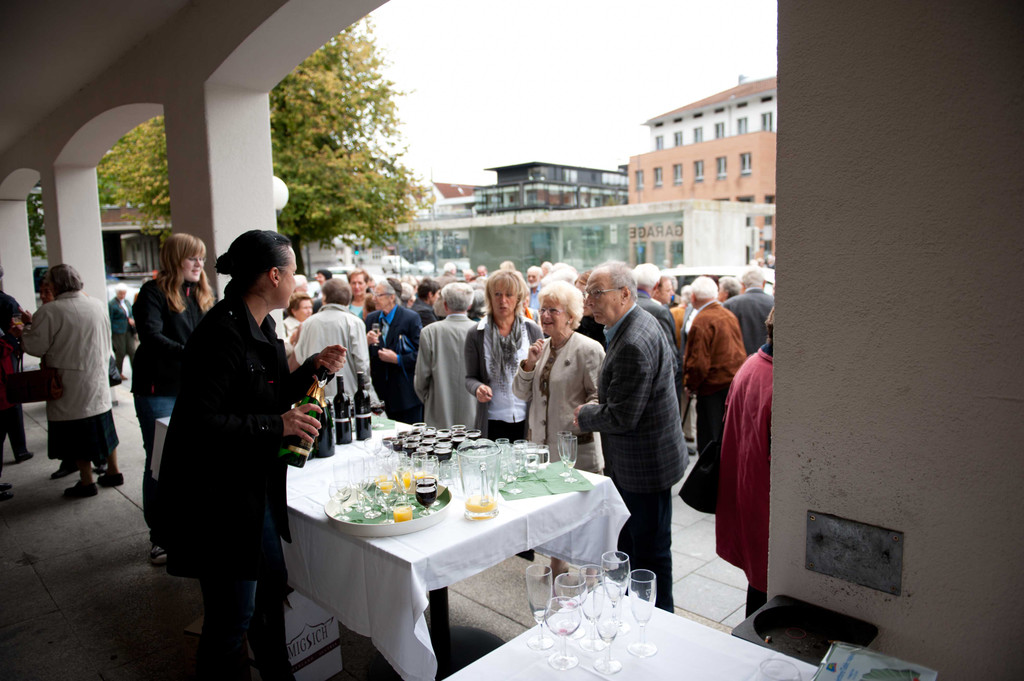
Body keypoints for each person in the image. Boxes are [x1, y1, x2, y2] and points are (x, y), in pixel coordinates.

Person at [154, 230, 345, 680]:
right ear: (273, 276)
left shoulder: (263, 326)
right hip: (218, 499)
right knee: (231, 618)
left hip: (253, 491)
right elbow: (200, 423)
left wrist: (313, 368)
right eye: (293, 272)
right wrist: (279, 425)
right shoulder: (221, 333)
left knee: (269, 595)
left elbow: (269, 396)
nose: (297, 281)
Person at [574, 262, 686, 611]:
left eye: (597, 293)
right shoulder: (636, 322)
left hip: (643, 468)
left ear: (624, 293)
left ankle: (659, 618)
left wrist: (585, 414)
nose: (589, 301)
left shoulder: (633, 341)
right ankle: (637, 610)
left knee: (650, 553)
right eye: (588, 293)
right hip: (646, 459)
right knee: (638, 546)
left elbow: (622, 417)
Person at [132, 233, 214, 564]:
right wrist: (193, 355)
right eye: (192, 257)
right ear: (175, 258)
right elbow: (151, 336)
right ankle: (161, 537)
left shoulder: (202, 294)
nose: (199, 264)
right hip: (159, 391)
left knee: (194, 461)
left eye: (202, 258)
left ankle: (189, 527)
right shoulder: (152, 292)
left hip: (195, 389)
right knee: (160, 462)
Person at [19, 265, 124, 498]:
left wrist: (25, 329)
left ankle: (87, 482)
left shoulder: (50, 311)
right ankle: (113, 471)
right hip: (97, 379)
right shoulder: (97, 305)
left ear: (55, 285)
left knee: (78, 435)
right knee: (105, 428)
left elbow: (35, 347)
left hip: (68, 384)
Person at [716, 308, 774, 617]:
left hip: (748, 497)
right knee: (765, 594)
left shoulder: (752, 365)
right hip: (764, 505)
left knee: (758, 587)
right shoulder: (776, 378)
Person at [513, 281, 604, 472]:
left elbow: (600, 397)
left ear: (570, 316)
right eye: (543, 309)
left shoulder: (589, 349)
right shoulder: (540, 348)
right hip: (540, 453)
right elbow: (521, 394)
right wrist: (529, 365)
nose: (545, 315)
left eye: (553, 310)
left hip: (575, 454)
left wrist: (583, 414)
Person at [464, 270, 543, 441]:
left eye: (509, 294)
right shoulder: (476, 334)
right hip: (492, 419)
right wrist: (478, 388)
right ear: (489, 297)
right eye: (497, 294)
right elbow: (470, 378)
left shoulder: (531, 329)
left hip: (527, 418)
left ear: (518, 298)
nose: (503, 300)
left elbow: (542, 373)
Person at [683, 276, 747, 457]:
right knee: (726, 438)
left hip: (711, 388)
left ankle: (712, 474)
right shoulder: (728, 315)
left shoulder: (702, 320)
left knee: (710, 441)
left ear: (693, 297)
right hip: (732, 385)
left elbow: (698, 363)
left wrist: (691, 384)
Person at [293, 277, 374, 404]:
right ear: (348, 298)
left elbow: (300, 357)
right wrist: (366, 389)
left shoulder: (308, 323)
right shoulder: (354, 322)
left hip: (315, 396)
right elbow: (362, 363)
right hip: (347, 395)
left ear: (324, 297)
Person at [414, 282, 478, 428]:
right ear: (469, 305)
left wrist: (429, 399)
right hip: (472, 409)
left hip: (439, 410)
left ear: (445, 305)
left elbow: (421, 377)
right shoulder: (481, 331)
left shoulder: (430, 332)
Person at [365, 278, 423, 424]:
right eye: (373, 294)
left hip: (405, 394)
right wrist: (366, 342)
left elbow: (421, 354)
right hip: (379, 393)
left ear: (391, 297)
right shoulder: (372, 318)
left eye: (378, 295)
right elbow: (363, 355)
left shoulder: (410, 318)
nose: (374, 299)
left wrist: (398, 359)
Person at [0, 264, 35, 467]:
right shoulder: (7, 302)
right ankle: (20, 449)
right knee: (12, 400)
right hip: (6, 357)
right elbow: (18, 328)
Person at [634, 263, 682, 403]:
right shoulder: (659, 311)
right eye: (668, 290)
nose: (672, 294)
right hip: (656, 391)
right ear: (656, 286)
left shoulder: (623, 305)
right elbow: (670, 356)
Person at [723, 266, 776, 356]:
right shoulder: (774, 303)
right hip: (767, 357)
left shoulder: (730, 304)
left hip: (740, 358)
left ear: (743, 284)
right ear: (764, 283)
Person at [108, 283, 137, 376]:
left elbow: (130, 313)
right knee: (120, 352)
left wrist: (131, 320)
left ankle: (136, 372)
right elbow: (110, 318)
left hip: (128, 329)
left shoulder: (127, 302)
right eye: (121, 293)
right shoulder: (112, 304)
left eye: (124, 293)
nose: (122, 295)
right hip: (118, 331)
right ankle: (118, 372)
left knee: (132, 351)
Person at [278, 291, 312, 366]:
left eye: (310, 307)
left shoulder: (311, 325)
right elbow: (280, 352)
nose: (309, 311)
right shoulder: (284, 326)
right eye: (305, 308)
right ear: (294, 311)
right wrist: (291, 340)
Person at [573, 270, 606, 349]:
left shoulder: (608, 326)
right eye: (577, 294)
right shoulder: (575, 325)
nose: (582, 300)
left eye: (585, 294)